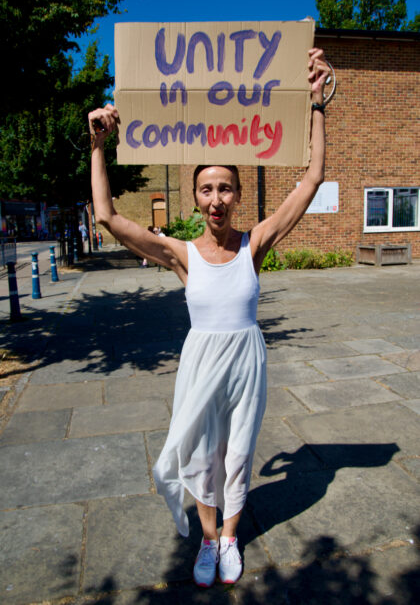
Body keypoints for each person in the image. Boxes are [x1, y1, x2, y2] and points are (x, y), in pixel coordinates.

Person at [88, 48, 330, 588]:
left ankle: (228, 539)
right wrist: (98, 146)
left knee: (239, 452)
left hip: (246, 359)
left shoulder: (254, 243)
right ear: (196, 199)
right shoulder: (180, 253)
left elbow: (311, 179)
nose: (216, 197)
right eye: (206, 189)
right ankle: (205, 538)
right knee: (200, 454)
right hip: (201, 361)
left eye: (225, 187)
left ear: (238, 194)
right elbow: (106, 217)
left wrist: (317, 103)